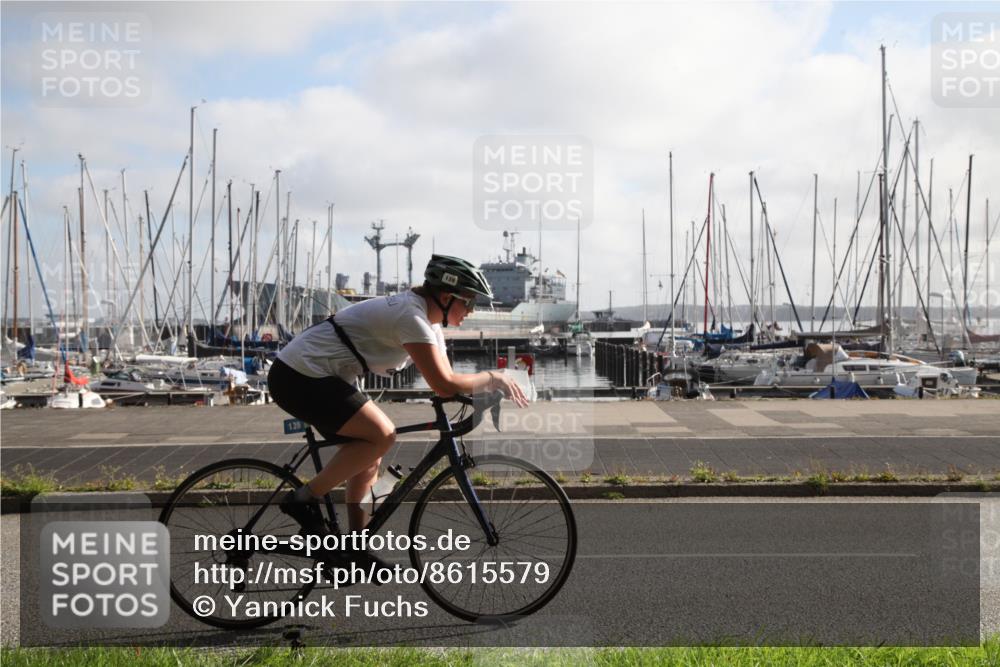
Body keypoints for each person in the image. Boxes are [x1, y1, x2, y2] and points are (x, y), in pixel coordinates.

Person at [268, 254, 529, 539]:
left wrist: (480, 393)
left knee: (369, 453)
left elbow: (450, 380)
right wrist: (493, 377)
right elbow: (445, 384)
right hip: (298, 375)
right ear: (445, 297)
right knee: (382, 434)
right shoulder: (411, 316)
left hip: (321, 375)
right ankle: (303, 499)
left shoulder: (431, 325)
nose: (471, 310)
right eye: (469, 301)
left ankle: (355, 546)